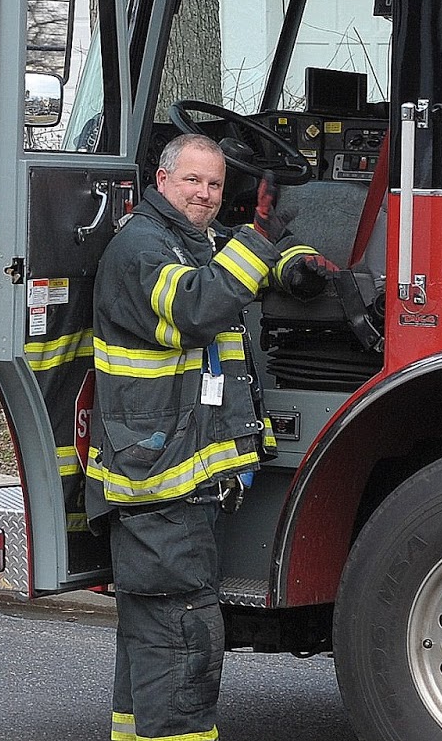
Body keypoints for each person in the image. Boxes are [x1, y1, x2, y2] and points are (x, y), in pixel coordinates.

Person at [86, 132, 330, 741]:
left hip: (169, 472)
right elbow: (198, 306)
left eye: (215, 184)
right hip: (161, 480)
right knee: (182, 630)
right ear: (163, 179)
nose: (205, 194)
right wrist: (260, 239)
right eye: (193, 180)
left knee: (153, 634)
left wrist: (290, 265)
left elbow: (223, 270)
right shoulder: (141, 247)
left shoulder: (185, 241)